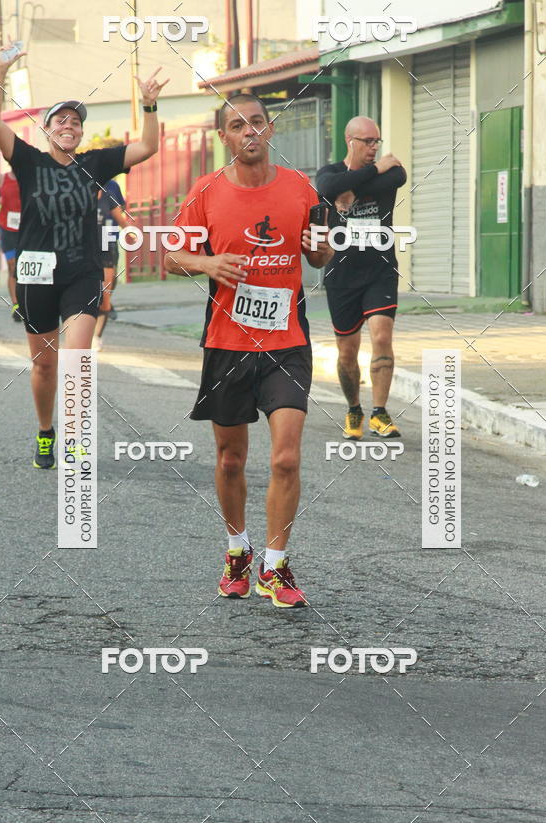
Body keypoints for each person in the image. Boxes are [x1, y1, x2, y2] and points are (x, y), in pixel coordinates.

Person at [165, 92, 332, 609]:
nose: (250, 132)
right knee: (231, 459)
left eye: (257, 122)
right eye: (238, 126)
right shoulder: (206, 190)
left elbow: (320, 255)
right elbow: (172, 255)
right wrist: (208, 263)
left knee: (286, 457)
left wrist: (322, 244)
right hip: (227, 343)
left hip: (287, 341)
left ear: (270, 129)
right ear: (225, 137)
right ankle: (237, 550)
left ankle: (275, 566)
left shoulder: (300, 187)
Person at [0, 37, 168, 469]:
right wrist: (1, 69)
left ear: (81, 133)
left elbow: (148, 147)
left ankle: (76, 438)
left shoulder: (96, 164)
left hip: (82, 273)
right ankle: (46, 430)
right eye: (60, 120)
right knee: (44, 367)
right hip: (36, 276)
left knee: (76, 361)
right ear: (46, 129)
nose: (69, 125)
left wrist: (149, 105)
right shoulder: (29, 161)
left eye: (75, 121)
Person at [316, 116, 407, 440]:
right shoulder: (329, 173)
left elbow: (397, 177)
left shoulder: (391, 172)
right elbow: (326, 189)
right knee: (347, 351)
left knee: (381, 336)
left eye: (376, 142)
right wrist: (374, 170)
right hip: (342, 275)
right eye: (367, 141)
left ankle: (379, 413)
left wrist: (352, 187)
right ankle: (354, 408)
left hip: (380, 271)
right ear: (349, 141)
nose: (373, 148)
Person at [93, 179, 127, 350]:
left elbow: (121, 209)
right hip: (84, 246)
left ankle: (96, 336)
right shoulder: (79, 183)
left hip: (108, 241)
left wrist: (129, 230)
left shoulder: (112, 186)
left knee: (105, 294)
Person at [0, 168, 21, 321]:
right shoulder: (2, 179)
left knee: (23, 266)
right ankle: (16, 305)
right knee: (12, 266)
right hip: (7, 228)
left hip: (26, 228)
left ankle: (27, 301)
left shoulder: (28, 175)